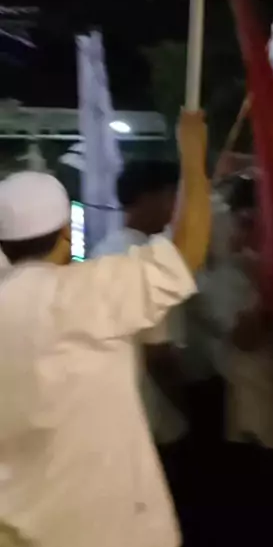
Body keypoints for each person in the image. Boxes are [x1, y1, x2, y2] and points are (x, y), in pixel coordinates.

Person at [0, 109, 210, 547]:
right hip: (103, 542)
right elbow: (187, 250)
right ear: (65, 233)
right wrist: (193, 157)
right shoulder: (82, 294)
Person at [92, 160, 187, 449]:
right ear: (148, 198)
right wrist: (184, 400)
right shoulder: (144, 258)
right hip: (148, 407)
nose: (176, 207)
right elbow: (157, 353)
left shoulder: (103, 250)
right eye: (172, 196)